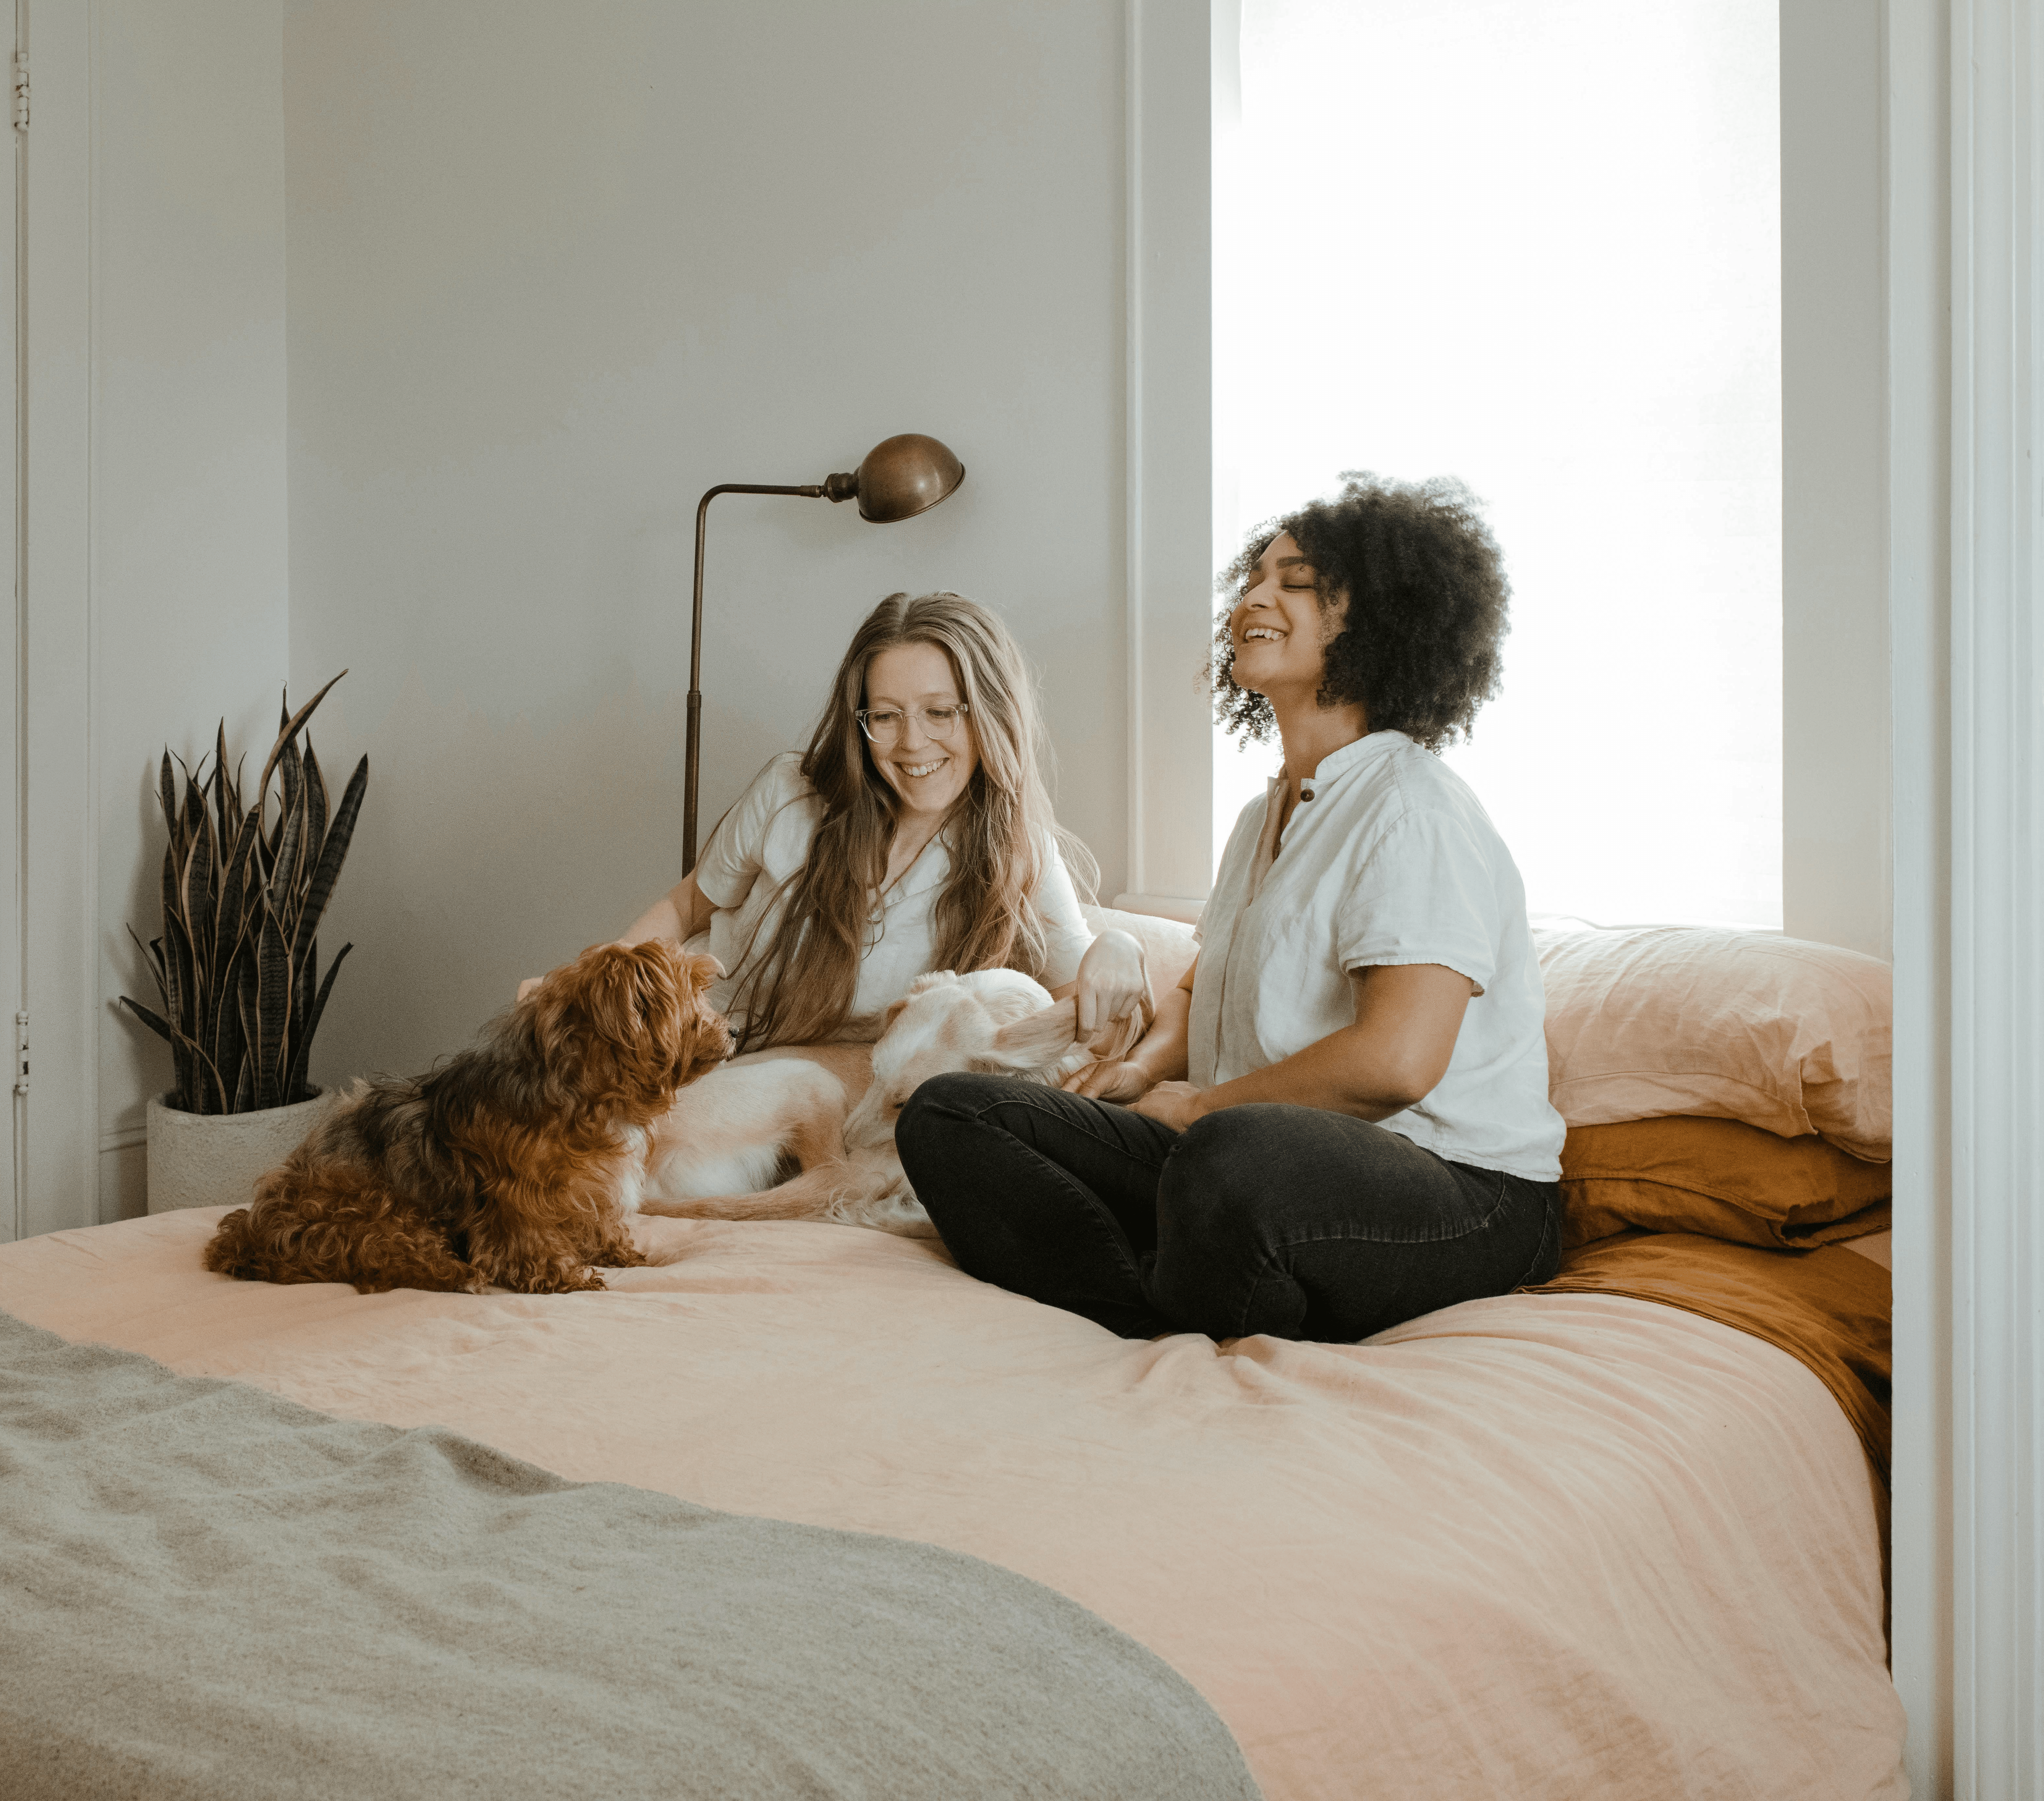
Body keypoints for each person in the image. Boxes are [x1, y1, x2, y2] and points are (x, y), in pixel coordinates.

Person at [896, 474, 1565, 1343]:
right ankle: (1157, 1306)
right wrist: (1132, 1081)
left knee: (1226, 1159)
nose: (1253, 596)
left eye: (1294, 582)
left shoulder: (1411, 810)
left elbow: (1396, 1062)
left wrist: (1205, 1110)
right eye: (1252, 578)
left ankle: (1193, 1275)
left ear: (1379, 619)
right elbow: (1200, 987)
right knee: (954, 1113)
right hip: (1243, 1155)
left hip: (1460, 1194)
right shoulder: (1265, 815)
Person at [523, 591, 1147, 1054]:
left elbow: (1078, 1000)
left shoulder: (1018, 846)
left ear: (988, 714)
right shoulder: (789, 792)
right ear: (860, 720)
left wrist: (1120, 945)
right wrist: (581, 989)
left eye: (939, 712)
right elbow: (688, 908)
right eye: (886, 716)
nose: (912, 744)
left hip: (825, 1087)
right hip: (692, 1046)